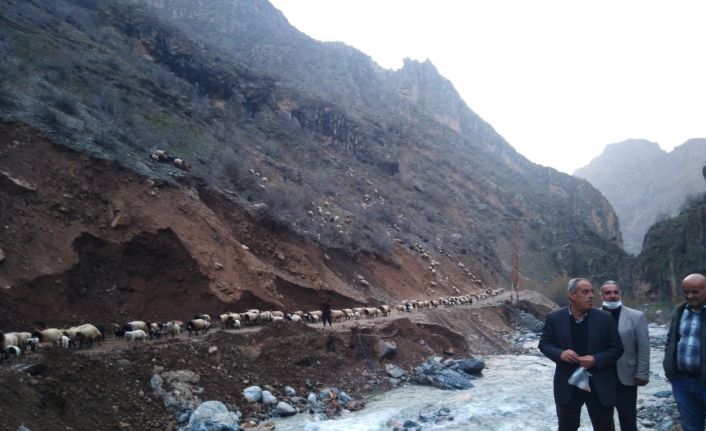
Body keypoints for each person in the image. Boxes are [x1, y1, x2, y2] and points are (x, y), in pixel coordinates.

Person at [539, 278, 624, 431]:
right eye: (585, 292)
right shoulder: (555, 318)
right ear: (572, 295)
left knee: (604, 427)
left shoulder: (604, 318)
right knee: (567, 427)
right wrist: (560, 354)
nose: (591, 295)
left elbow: (617, 348)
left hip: (599, 384)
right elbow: (544, 344)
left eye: (592, 291)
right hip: (568, 385)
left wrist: (596, 359)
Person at [599, 280, 650, 431]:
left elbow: (644, 347)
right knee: (603, 422)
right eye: (608, 293)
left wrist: (642, 373)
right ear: (601, 295)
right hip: (601, 377)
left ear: (620, 294)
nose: (612, 296)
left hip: (627, 377)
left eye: (615, 292)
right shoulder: (593, 315)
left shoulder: (637, 316)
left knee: (628, 421)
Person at [663, 273, 706, 431]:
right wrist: (669, 368)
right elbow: (671, 340)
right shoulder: (680, 312)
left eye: (695, 292)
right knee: (690, 426)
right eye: (686, 292)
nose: (690, 296)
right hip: (682, 381)